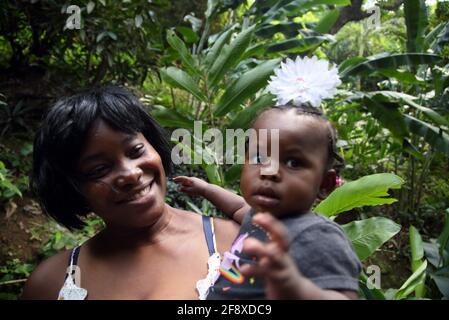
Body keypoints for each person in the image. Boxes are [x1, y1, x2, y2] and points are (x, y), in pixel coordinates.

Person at [21, 85, 239, 300]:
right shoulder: (50, 285)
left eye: (136, 151)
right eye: (99, 169)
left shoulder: (236, 242)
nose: (130, 173)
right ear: (72, 188)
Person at [174, 56, 362, 300]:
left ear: (325, 184)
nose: (269, 170)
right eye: (260, 157)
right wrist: (207, 189)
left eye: (293, 162)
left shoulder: (318, 236)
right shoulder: (258, 215)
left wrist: (295, 287)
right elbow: (238, 207)